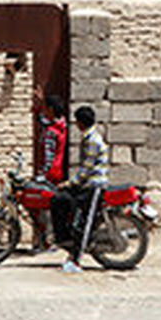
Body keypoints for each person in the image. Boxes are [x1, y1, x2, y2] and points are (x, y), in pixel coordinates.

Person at [53, 105, 108, 274]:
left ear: (81, 122)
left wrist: (69, 183)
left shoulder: (92, 140)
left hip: (93, 185)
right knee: (58, 200)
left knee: (82, 223)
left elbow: (86, 169)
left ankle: (76, 261)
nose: (75, 124)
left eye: (76, 120)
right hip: (86, 184)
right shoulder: (88, 136)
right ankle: (65, 240)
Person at [31, 87, 68, 251]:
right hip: (57, 172)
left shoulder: (51, 133)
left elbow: (49, 157)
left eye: (47, 109)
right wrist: (40, 103)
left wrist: (41, 175)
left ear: (51, 110)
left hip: (50, 173)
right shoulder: (61, 124)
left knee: (40, 207)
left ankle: (46, 241)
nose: (44, 112)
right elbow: (44, 120)